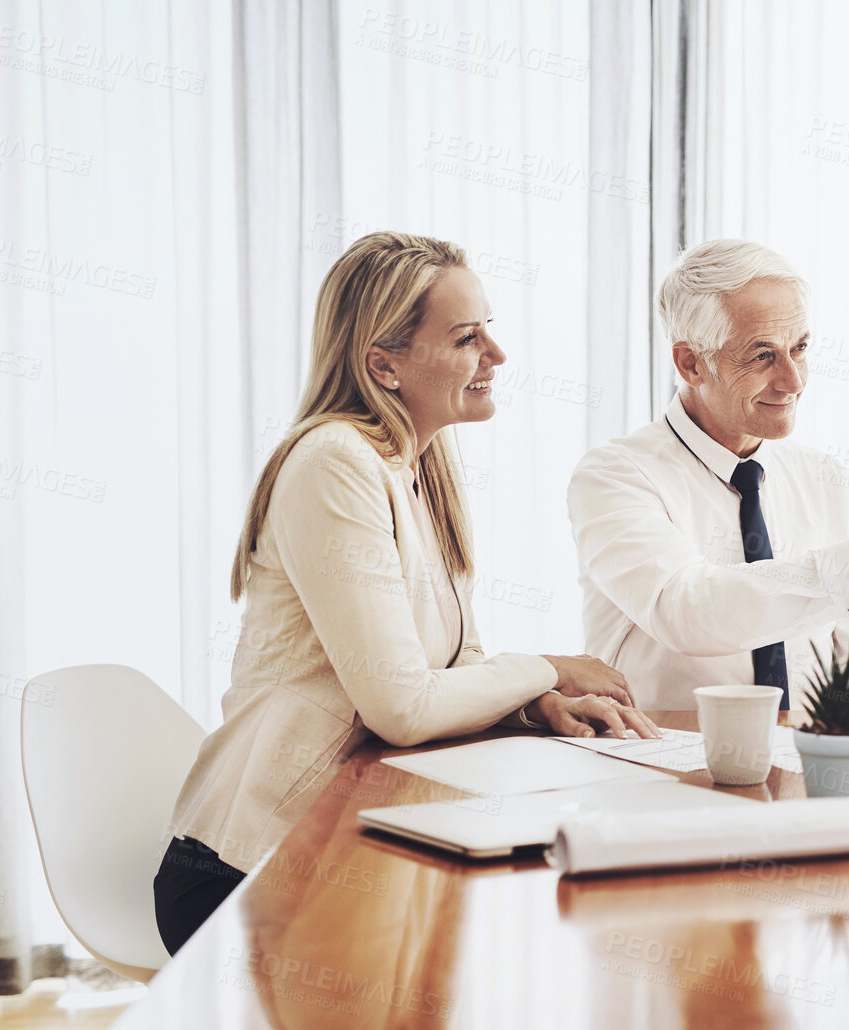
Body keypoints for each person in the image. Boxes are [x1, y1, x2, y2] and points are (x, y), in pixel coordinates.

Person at [155, 232, 657, 954]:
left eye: (490, 329)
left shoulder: (421, 466)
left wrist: (533, 703)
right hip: (245, 867)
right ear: (383, 365)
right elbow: (402, 706)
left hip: (348, 843)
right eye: (466, 337)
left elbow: (454, 664)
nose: (497, 355)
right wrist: (549, 667)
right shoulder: (335, 463)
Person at [567, 239, 849, 718]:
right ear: (690, 363)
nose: (794, 380)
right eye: (763, 356)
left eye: (799, 348)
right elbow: (685, 611)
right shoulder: (614, 476)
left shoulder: (823, 479)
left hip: (802, 776)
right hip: (660, 776)